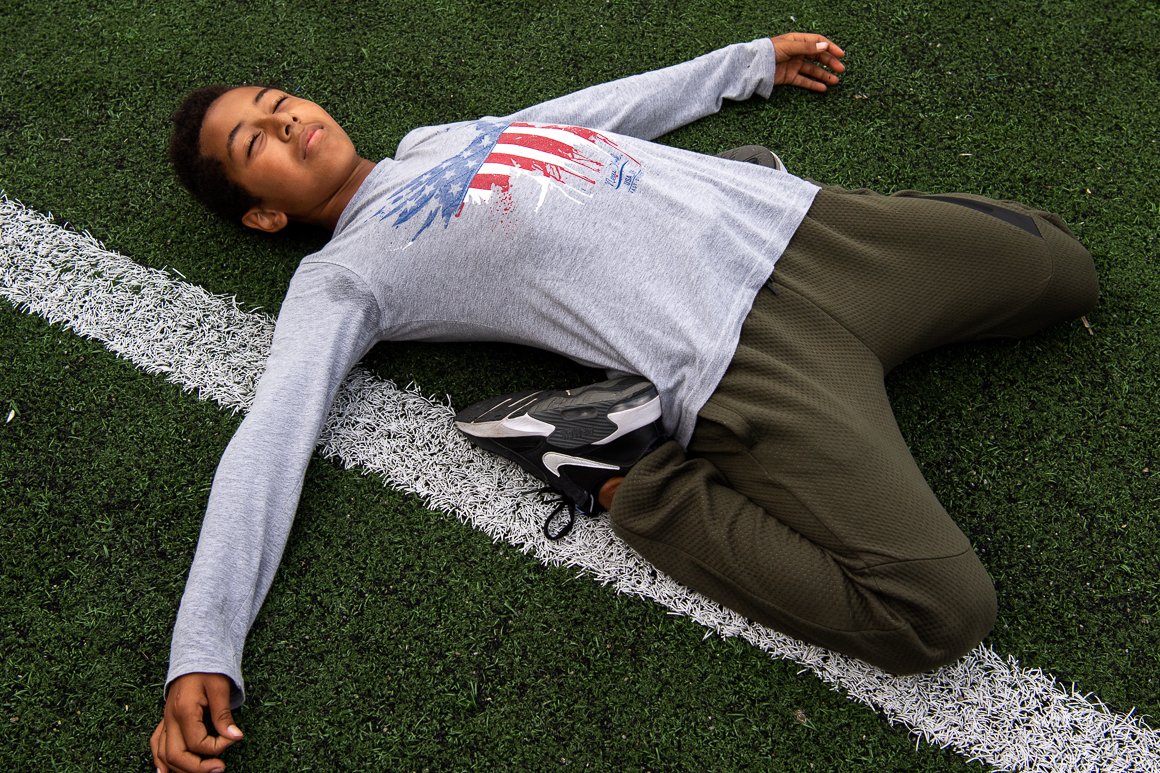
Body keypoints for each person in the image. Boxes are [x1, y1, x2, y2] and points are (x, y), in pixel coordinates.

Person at [151, 32, 1097, 772]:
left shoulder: (433, 141)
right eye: (255, 142)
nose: (286, 124)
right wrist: (204, 643)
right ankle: (621, 470)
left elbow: (596, 113)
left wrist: (745, 65)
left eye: (277, 104)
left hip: (802, 229)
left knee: (1062, 269)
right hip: (735, 360)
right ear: (264, 213)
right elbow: (272, 433)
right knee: (939, 612)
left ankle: (744, 173)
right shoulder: (344, 275)